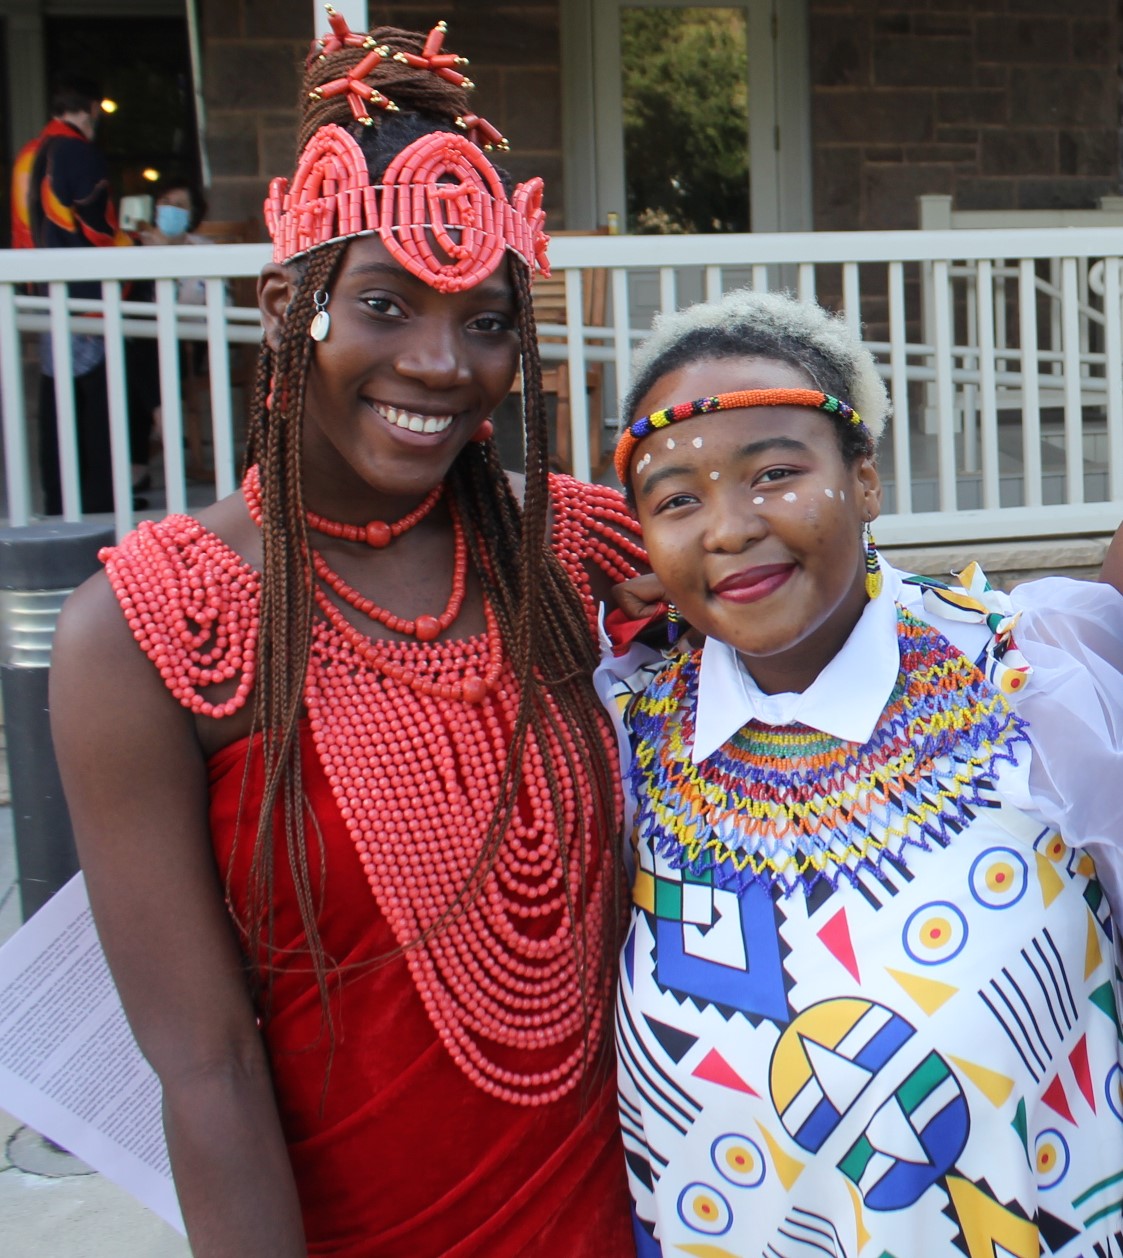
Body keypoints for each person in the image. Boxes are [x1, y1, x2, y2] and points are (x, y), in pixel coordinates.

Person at [49, 11, 643, 1255]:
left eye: (486, 321)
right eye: (384, 304)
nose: (440, 364)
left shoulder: (573, 548)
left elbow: (837, 636)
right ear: (288, 307)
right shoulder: (151, 624)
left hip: (634, 1218)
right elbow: (206, 1069)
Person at [601, 287, 1123, 1256]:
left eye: (774, 473)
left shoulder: (1034, 678)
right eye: (677, 498)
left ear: (867, 480)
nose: (727, 527)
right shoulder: (624, 737)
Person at [11, 72, 132, 515]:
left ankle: (59, 499)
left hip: (44, 292)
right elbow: (97, 225)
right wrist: (133, 245)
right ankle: (98, 500)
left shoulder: (28, 154)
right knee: (95, 400)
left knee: (56, 398)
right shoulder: (77, 151)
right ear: (91, 109)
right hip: (84, 293)